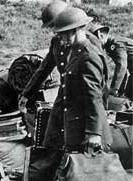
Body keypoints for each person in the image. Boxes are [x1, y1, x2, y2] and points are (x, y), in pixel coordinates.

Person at [53, 7, 112, 152]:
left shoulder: (88, 56)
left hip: (88, 134)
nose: (61, 39)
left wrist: (94, 133)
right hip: (77, 129)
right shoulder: (75, 53)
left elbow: (94, 96)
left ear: (76, 30)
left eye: (63, 34)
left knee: (91, 173)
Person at [89, 23, 133, 100]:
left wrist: (114, 89)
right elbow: (123, 71)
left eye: (94, 40)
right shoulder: (110, 45)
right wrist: (119, 91)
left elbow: (122, 67)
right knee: (128, 97)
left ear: (100, 36)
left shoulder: (116, 45)